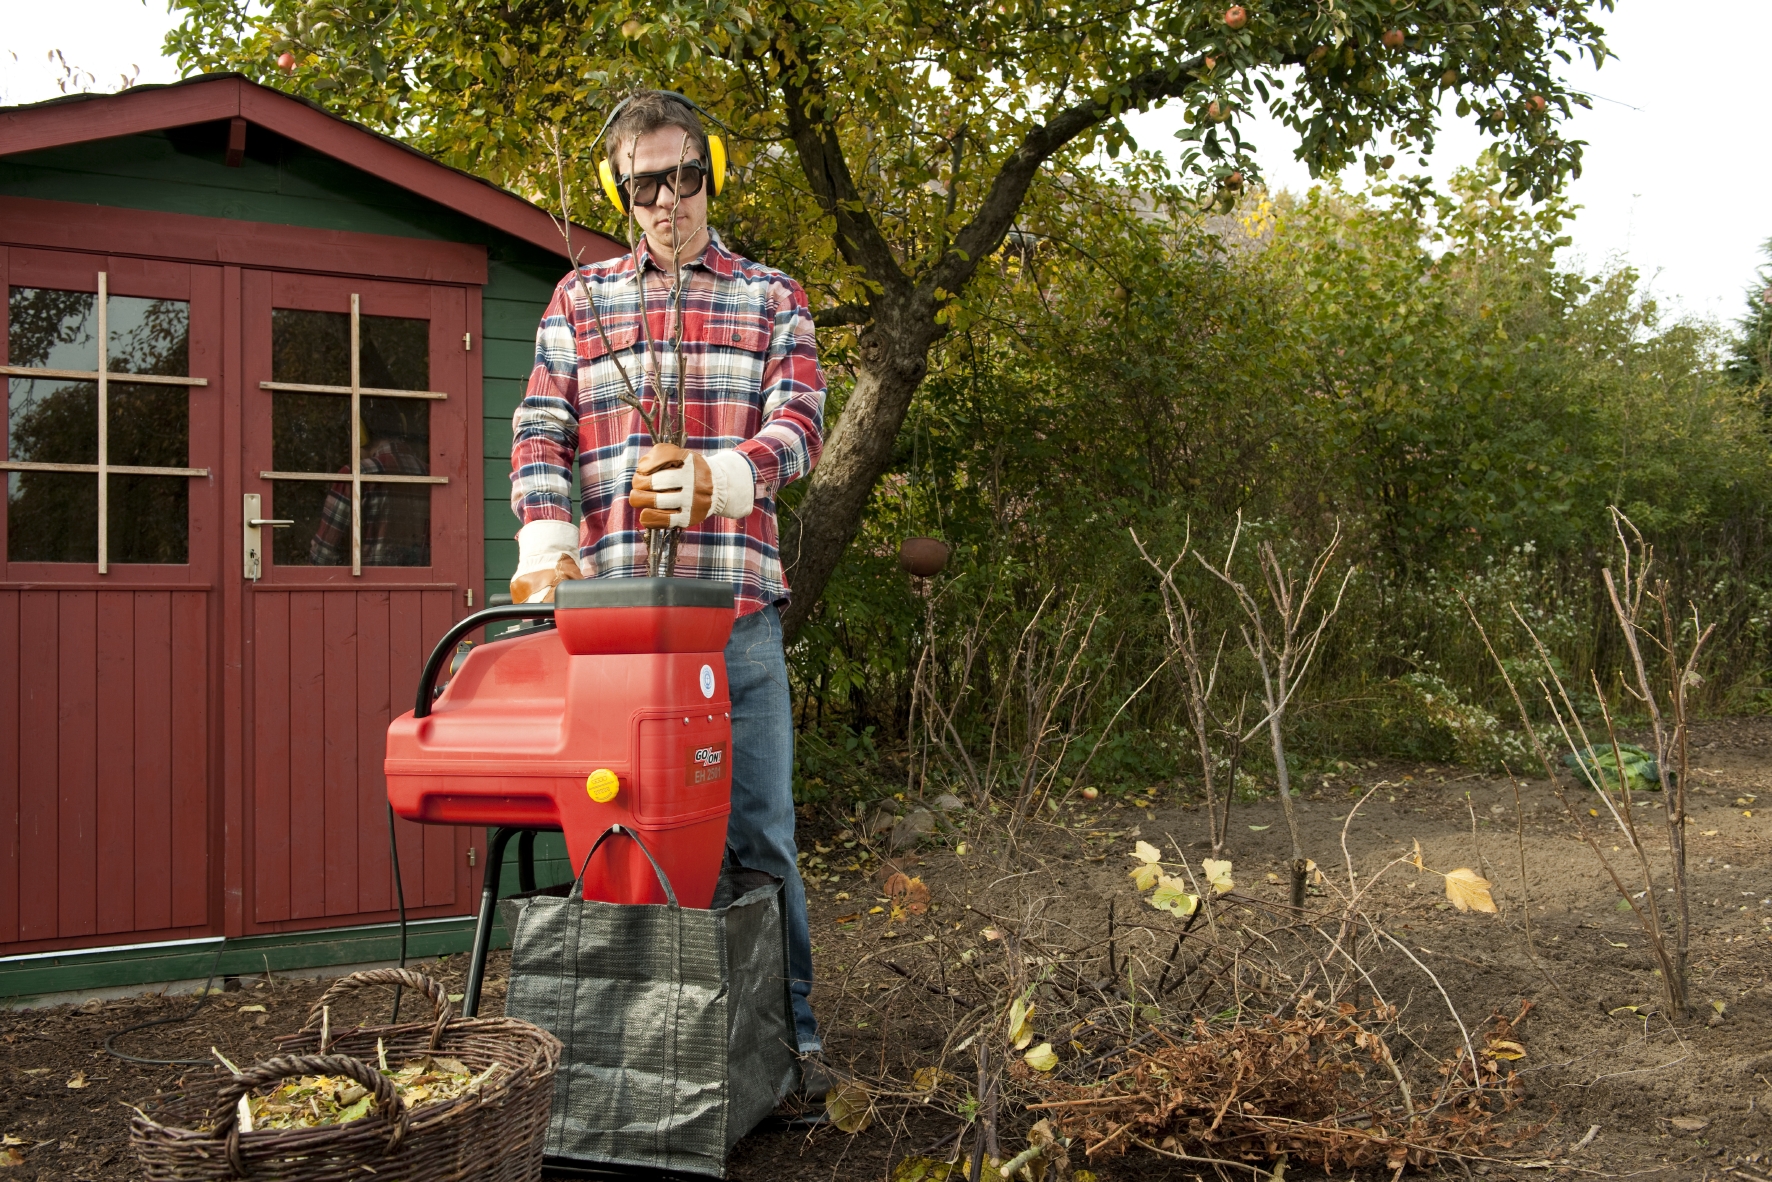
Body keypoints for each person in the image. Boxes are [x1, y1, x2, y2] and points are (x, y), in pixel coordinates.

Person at [507, 90, 830, 1096]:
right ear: (620, 190)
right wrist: (548, 540)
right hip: (615, 638)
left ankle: (789, 1044)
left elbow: (802, 423)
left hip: (732, 616)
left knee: (759, 837)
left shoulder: (771, 297)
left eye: (686, 176)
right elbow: (537, 436)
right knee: (623, 838)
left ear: (712, 177)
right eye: (647, 181)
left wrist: (720, 478)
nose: (669, 200)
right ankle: (636, 1065)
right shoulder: (581, 303)